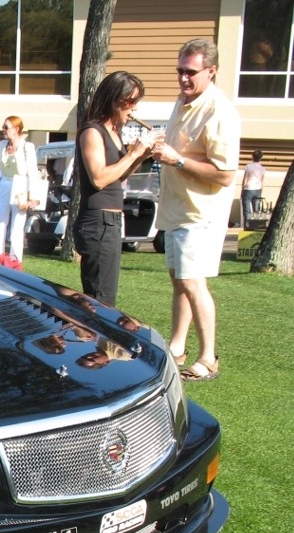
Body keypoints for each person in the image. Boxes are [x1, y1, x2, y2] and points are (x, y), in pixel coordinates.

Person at [152, 38, 241, 382]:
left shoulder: (220, 112)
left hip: (200, 213)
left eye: (191, 72)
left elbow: (224, 174)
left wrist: (178, 159)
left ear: (211, 71)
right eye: (180, 71)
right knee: (179, 281)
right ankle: (177, 347)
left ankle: (208, 357)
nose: (183, 79)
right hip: (177, 208)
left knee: (192, 281)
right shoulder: (183, 101)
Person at [72, 71, 157, 306]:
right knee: (101, 300)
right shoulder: (92, 131)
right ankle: (96, 342)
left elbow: (118, 176)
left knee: (105, 296)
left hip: (111, 221)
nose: (134, 109)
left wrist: (141, 157)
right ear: (114, 99)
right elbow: (99, 178)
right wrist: (133, 153)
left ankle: (97, 340)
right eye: (131, 102)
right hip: (97, 222)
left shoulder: (115, 133)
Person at [0, 116, 41, 261]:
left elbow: (32, 171)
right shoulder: (2, 145)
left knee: (17, 225)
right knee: (0, 221)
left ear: (16, 129)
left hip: (20, 184)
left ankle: (15, 259)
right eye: (3, 127)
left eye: (6, 127)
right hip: (5, 183)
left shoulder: (27, 147)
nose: (4, 130)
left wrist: (34, 196)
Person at [241, 149, 266, 228]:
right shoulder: (262, 168)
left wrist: (242, 190)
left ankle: (247, 226)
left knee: (246, 210)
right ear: (260, 158)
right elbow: (262, 181)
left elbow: (245, 179)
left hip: (248, 189)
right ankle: (255, 226)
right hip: (257, 189)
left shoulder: (248, 166)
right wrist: (261, 190)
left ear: (252, 157)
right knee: (256, 209)